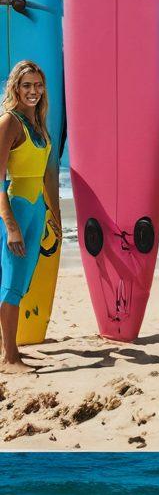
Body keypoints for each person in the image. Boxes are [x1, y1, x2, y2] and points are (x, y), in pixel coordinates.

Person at [0, 61, 59, 374]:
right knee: (11, 282)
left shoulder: (37, 121)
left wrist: (49, 211)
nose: (33, 91)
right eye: (27, 86)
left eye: (38, 85)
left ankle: (12, 349)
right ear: (16, 88)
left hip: (35, 208)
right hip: (17, 208)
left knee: (22, 279)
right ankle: (9, 358)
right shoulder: (9, 122)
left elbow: (42, 173)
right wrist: (11, 227)